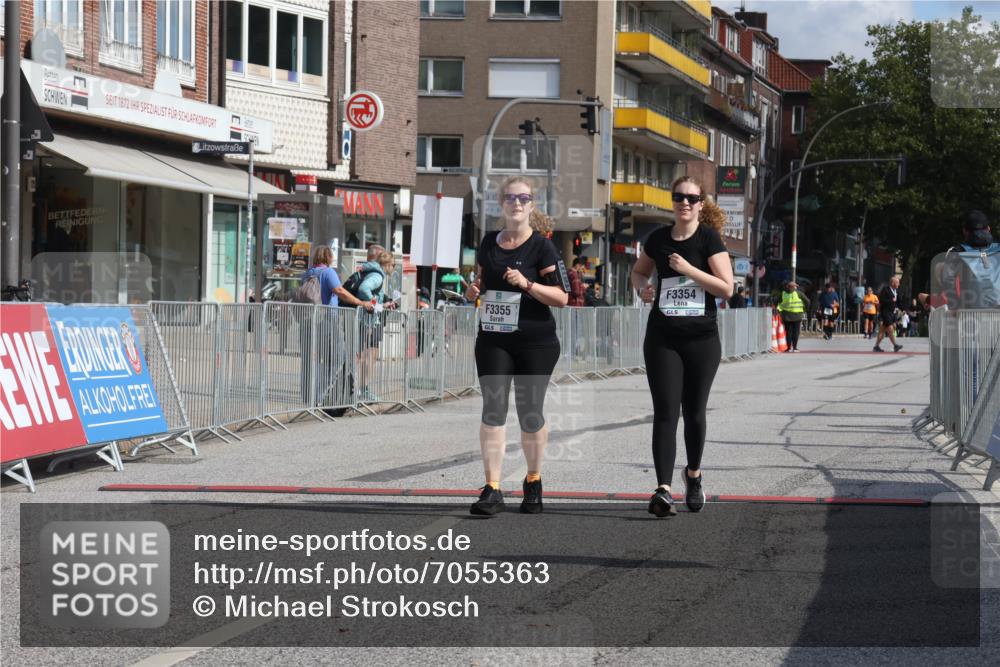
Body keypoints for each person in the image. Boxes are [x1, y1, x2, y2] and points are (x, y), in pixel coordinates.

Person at [464, 176, 569, 516]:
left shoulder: (542, 246)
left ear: (532, 205)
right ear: (501, 204)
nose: (517, 203)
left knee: (529, 413)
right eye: (510, 198)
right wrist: (474, 292)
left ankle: (534, 480)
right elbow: (481, 282)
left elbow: (562, 297)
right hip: (494, 338)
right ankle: (492, 488)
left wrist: (527, 283)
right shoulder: (488, 243)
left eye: (523, 198)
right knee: (493, 410)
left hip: (535, 341)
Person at [630, 176, 734, 518]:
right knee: (665, 411)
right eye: (679, 197)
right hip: (662, 337)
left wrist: (689, 269)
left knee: (694, 412)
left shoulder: (709, 239)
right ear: (672, 201)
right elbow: (638, 272)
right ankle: (662, 489)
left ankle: (693, 473)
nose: (685, 203)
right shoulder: (658, 238)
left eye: (692, 198)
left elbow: (726, 288)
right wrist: (643, 288)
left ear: (701, 204)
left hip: (701, 339)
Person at [299, 246, 372, 405]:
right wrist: (360, 302)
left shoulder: (306, 274)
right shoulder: (328, 273)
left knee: (316, 359)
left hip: (310, 321)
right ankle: (324, 393)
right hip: (327, 320)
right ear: (329, 257)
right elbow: (339, 291)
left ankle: (311, 395)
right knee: (338, 357)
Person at [356, 250, 396, 401]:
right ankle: (363, 390)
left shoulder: (373, 272)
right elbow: (363, 289)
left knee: (367, 355)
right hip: (368, 321)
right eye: (393, 265)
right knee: (368, 355)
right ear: (386, 264)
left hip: (367, 319)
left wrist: (381, 304)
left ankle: (362, 389)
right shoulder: (378, 276)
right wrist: (377, 305)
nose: (393, 268)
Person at [873, 276, 904, 353]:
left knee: (882, 331)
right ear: (893, 283)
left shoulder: (897, 291)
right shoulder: (885, 290)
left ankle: (876, 346)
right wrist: (891, 300)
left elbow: (898, 302)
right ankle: (895, 345)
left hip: (892, 313)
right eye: (897, 282)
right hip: (885, 312)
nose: (899, 284)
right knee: (890, 329)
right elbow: (881, 300)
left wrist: (903, 309)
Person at [776, 281, 809, 352]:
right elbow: (807, 301)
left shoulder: (783, 294)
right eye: (795, 286)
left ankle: (788, 348)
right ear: (792, 287)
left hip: (786, 316)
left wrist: (779, 310)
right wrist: (805, 309)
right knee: (796, 332)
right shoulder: (798, 293)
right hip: (797, 315)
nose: (796, 287)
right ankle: (795, 348)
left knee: (788, 332)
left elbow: (777, 301)